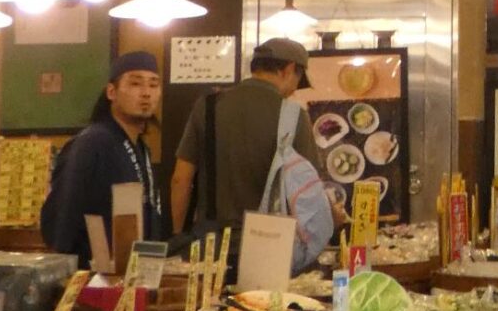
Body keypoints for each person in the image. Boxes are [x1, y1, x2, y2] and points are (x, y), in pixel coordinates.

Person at [171, 35, 318, 237]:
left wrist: (177, 233)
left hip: (211, 241)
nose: (293, 91)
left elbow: (181, 179)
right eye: (297, 81)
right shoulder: (295, 116)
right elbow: (307, 192)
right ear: (289, 69)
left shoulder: (208, 106)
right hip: (271, 242)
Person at [41, 52, 165, 256]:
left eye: (153, 85)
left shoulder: (141, 147)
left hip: (132, 270)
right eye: (135, 84)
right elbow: (63, 213)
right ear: (111, 92)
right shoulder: (92, 142)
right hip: (92, 273)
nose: (146, 93)